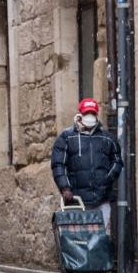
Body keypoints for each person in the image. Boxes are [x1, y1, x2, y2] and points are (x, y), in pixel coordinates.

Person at [50, 98, 123, 233]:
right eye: (87, 113)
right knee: (80, 240)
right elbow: (58, 163)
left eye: (92, 113)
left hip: (102, 200)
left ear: (96, 114)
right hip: (77, 201)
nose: (89, 116)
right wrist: (65, 187)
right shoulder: (67, 137)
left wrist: (107, 179)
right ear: (80, 114)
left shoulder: (107, 138)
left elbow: (117, 161)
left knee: (102, 238)